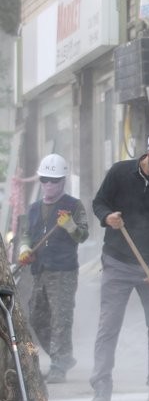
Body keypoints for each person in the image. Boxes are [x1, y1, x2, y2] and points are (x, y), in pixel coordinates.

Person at [89, 128, 149, 401]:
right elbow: (99, 203)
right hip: (117, 262)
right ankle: (102, 387)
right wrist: (108, 217)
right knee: (108, 326)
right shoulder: (119, 173)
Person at [16, 154, 89, 384]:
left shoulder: (73, 206)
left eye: (54, 180)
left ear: (63, 181)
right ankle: (61, 357)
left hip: (63, 271)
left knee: (61, 318)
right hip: (39, 270)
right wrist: (25, 249)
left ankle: (59, 363)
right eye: (45, 180)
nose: (49, 185)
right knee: (37, 317)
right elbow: (26, 235)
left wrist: (69, 225)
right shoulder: (34, 208)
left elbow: (83, 235)